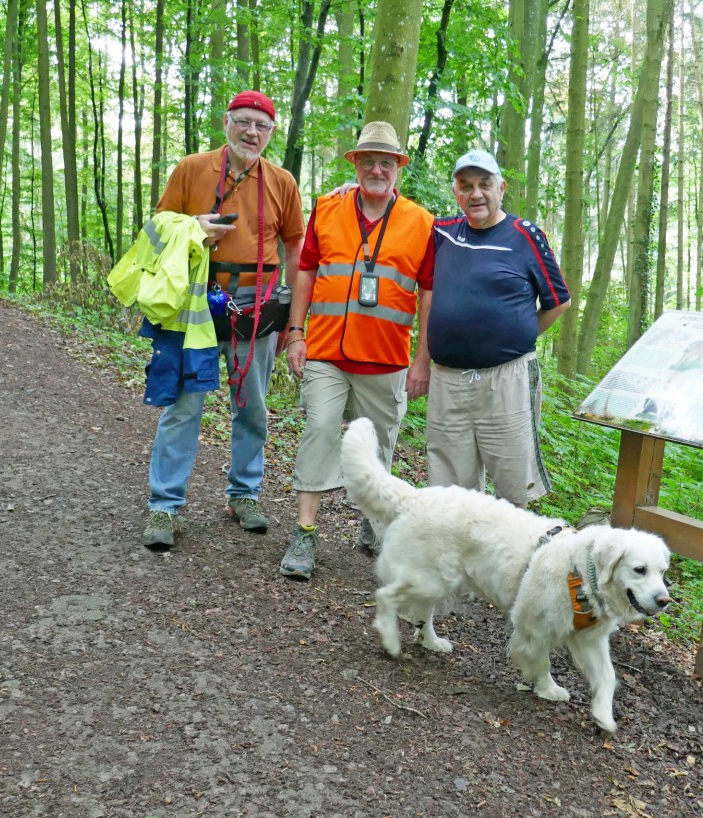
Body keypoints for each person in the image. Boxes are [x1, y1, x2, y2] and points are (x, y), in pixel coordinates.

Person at [141, 91, 305, 551]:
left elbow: (296, 248)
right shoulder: (192, 169)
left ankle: (244, 494)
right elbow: (157, 228)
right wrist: (195, 227)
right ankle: (165, 503)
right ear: (227, 122)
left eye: (262, 126)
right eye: (244, 122)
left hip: (257, 306)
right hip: (195, 300)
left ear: (272, 133)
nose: (252, 133)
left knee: (251, 405)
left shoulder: (282, 182)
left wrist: (293, 314)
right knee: (185, 403)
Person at [281, 121, 435, 579]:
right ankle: (305, 534)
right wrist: (294, 332)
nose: (376, 169)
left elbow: (429, 293)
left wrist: (422, 358)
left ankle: (374, 520)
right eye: (368, 160)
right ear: (355, 163)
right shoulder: (327, 209)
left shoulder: (421, 222)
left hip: (386, 358)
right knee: (320, 431)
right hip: (326, 350)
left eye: (385, 162)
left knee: (380, 446)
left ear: (398, 170)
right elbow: (306, 270)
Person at [427, 150, 571, 508]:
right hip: (447, 382)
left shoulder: (524, 235)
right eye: (466, 186)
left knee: (512, 486)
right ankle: (458, 562)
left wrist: (518, 335)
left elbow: (559, 301)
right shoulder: (442, 233)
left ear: (501, 188)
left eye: (485, 184)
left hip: (507, 380)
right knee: (450, 491)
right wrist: (355, 190)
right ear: (456, 192)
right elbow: (393, 218)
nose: (476, 194)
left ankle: (510, 562)